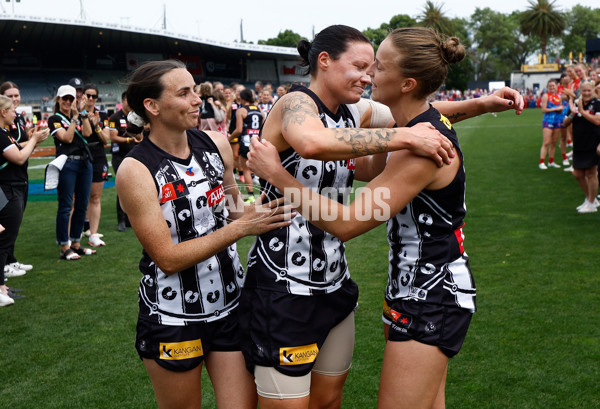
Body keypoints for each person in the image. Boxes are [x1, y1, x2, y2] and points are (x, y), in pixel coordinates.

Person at [238, 24, 523, 409]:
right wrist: (423, 128)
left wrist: (275, 173)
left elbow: (349, 220)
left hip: (411, 291)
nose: (369, 74)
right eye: (361, 65)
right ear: (324, 61)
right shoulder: (299, 105)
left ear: (405, 81)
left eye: (377, 67)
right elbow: (316, 142)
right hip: (287, 285)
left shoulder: (383, 125)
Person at [115, 59, 294, 409]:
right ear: (151, 106)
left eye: (195, 90)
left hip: (230, 305)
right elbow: (166, 258)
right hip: (171, 316)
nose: (198, 99)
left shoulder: (215, 144)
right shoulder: (135, 169)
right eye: (184, 93)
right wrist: (241, 228)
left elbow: (233, 210)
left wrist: (275, 199)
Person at [0, 95, 49, 306]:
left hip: (10, 188)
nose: (15, 113)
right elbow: (19, 158)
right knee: (4, 241)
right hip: (8, 189)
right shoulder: (1, 134)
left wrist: (31, 141)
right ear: (2, 112)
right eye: (12, 110)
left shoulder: (5, 134)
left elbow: (19, 151)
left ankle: (2, 287)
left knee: (5, 239)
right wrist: (34, 141)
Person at [48, 85, 97, 260]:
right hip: (67, 164)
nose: (68, 102)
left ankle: (76, 243)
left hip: (84, 163)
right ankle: (64, 246)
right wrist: (76, 117)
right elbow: (67, 138)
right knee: (66, 206)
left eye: (71, 99)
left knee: (82, 205)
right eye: (65, 99)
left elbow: (89, 133)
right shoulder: (54, 118)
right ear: (59, 100)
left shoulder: (77, 115)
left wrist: (81, 115)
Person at [0, 81, 36, 275]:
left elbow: (16, 146)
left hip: (18, 177)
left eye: (17, 95)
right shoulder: (2, 130)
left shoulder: (17, 119)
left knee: (12, 225)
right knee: (6, 227)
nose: (15, 101)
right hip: (7, 181)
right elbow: (17, 152)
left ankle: (9, 263)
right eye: (10, 97)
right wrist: (33, 141)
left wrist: (30, 139)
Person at [80, 83, 110, 247]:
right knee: (78, 197)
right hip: (82, 155)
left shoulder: (103, 114)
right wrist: (84, 115)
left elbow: (106, 140)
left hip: (98, 155)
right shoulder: (76, 114)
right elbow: (85, 134)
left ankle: (93, 234)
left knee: (96, 197)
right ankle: (77, 230)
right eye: (88, 95)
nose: (91, 99)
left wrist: (97, 125)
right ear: (83, 95)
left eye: (94, 96)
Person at [563, 80, 600, 213]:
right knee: (578, 174)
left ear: (593, 91)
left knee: (591, 173)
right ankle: (591, 199)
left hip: (593, 142)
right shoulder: (576, 103)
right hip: (579, 144)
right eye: (584, 90)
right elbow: (565, 123)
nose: (586, 93)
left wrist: (582, 112)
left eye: (589, 90)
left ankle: (591, 203)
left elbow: (597, 121)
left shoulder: (597, 104)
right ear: (580, 91)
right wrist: (573, 113)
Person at [109, 92, 142, 232]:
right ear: (122, 100)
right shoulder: (115, 117)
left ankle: (130, 219)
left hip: (134, 156)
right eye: (129, 100)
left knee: (135, 188)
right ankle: (121, 220)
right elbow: (113, 137)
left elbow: (141, 134)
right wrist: (129, 139)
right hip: (119, 156)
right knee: (123, 187)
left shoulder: (136, 118)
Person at [230, 88, 265, 203]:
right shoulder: (259, 109)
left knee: (246, 170)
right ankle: (263, 193)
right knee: (260, 169)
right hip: (258, 141)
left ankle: (250, 195)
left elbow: (239, 130)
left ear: (242, 98)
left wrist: (229, 138)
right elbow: (263, 124)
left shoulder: (242, 110)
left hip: (246, 142)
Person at [538, 79, 564, 169]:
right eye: (550, 86)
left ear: (556, 86)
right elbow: (543, 110)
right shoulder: (546, 96)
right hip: (548, 120)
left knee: (554, 142)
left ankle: (551, 161)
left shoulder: (559, 96)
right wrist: (556, 109)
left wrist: (560, 108)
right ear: (547, 87)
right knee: (546, 142)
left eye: (553, 85)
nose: (552, 87)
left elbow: (561, 107)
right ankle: (541, 162)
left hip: (557, 121)